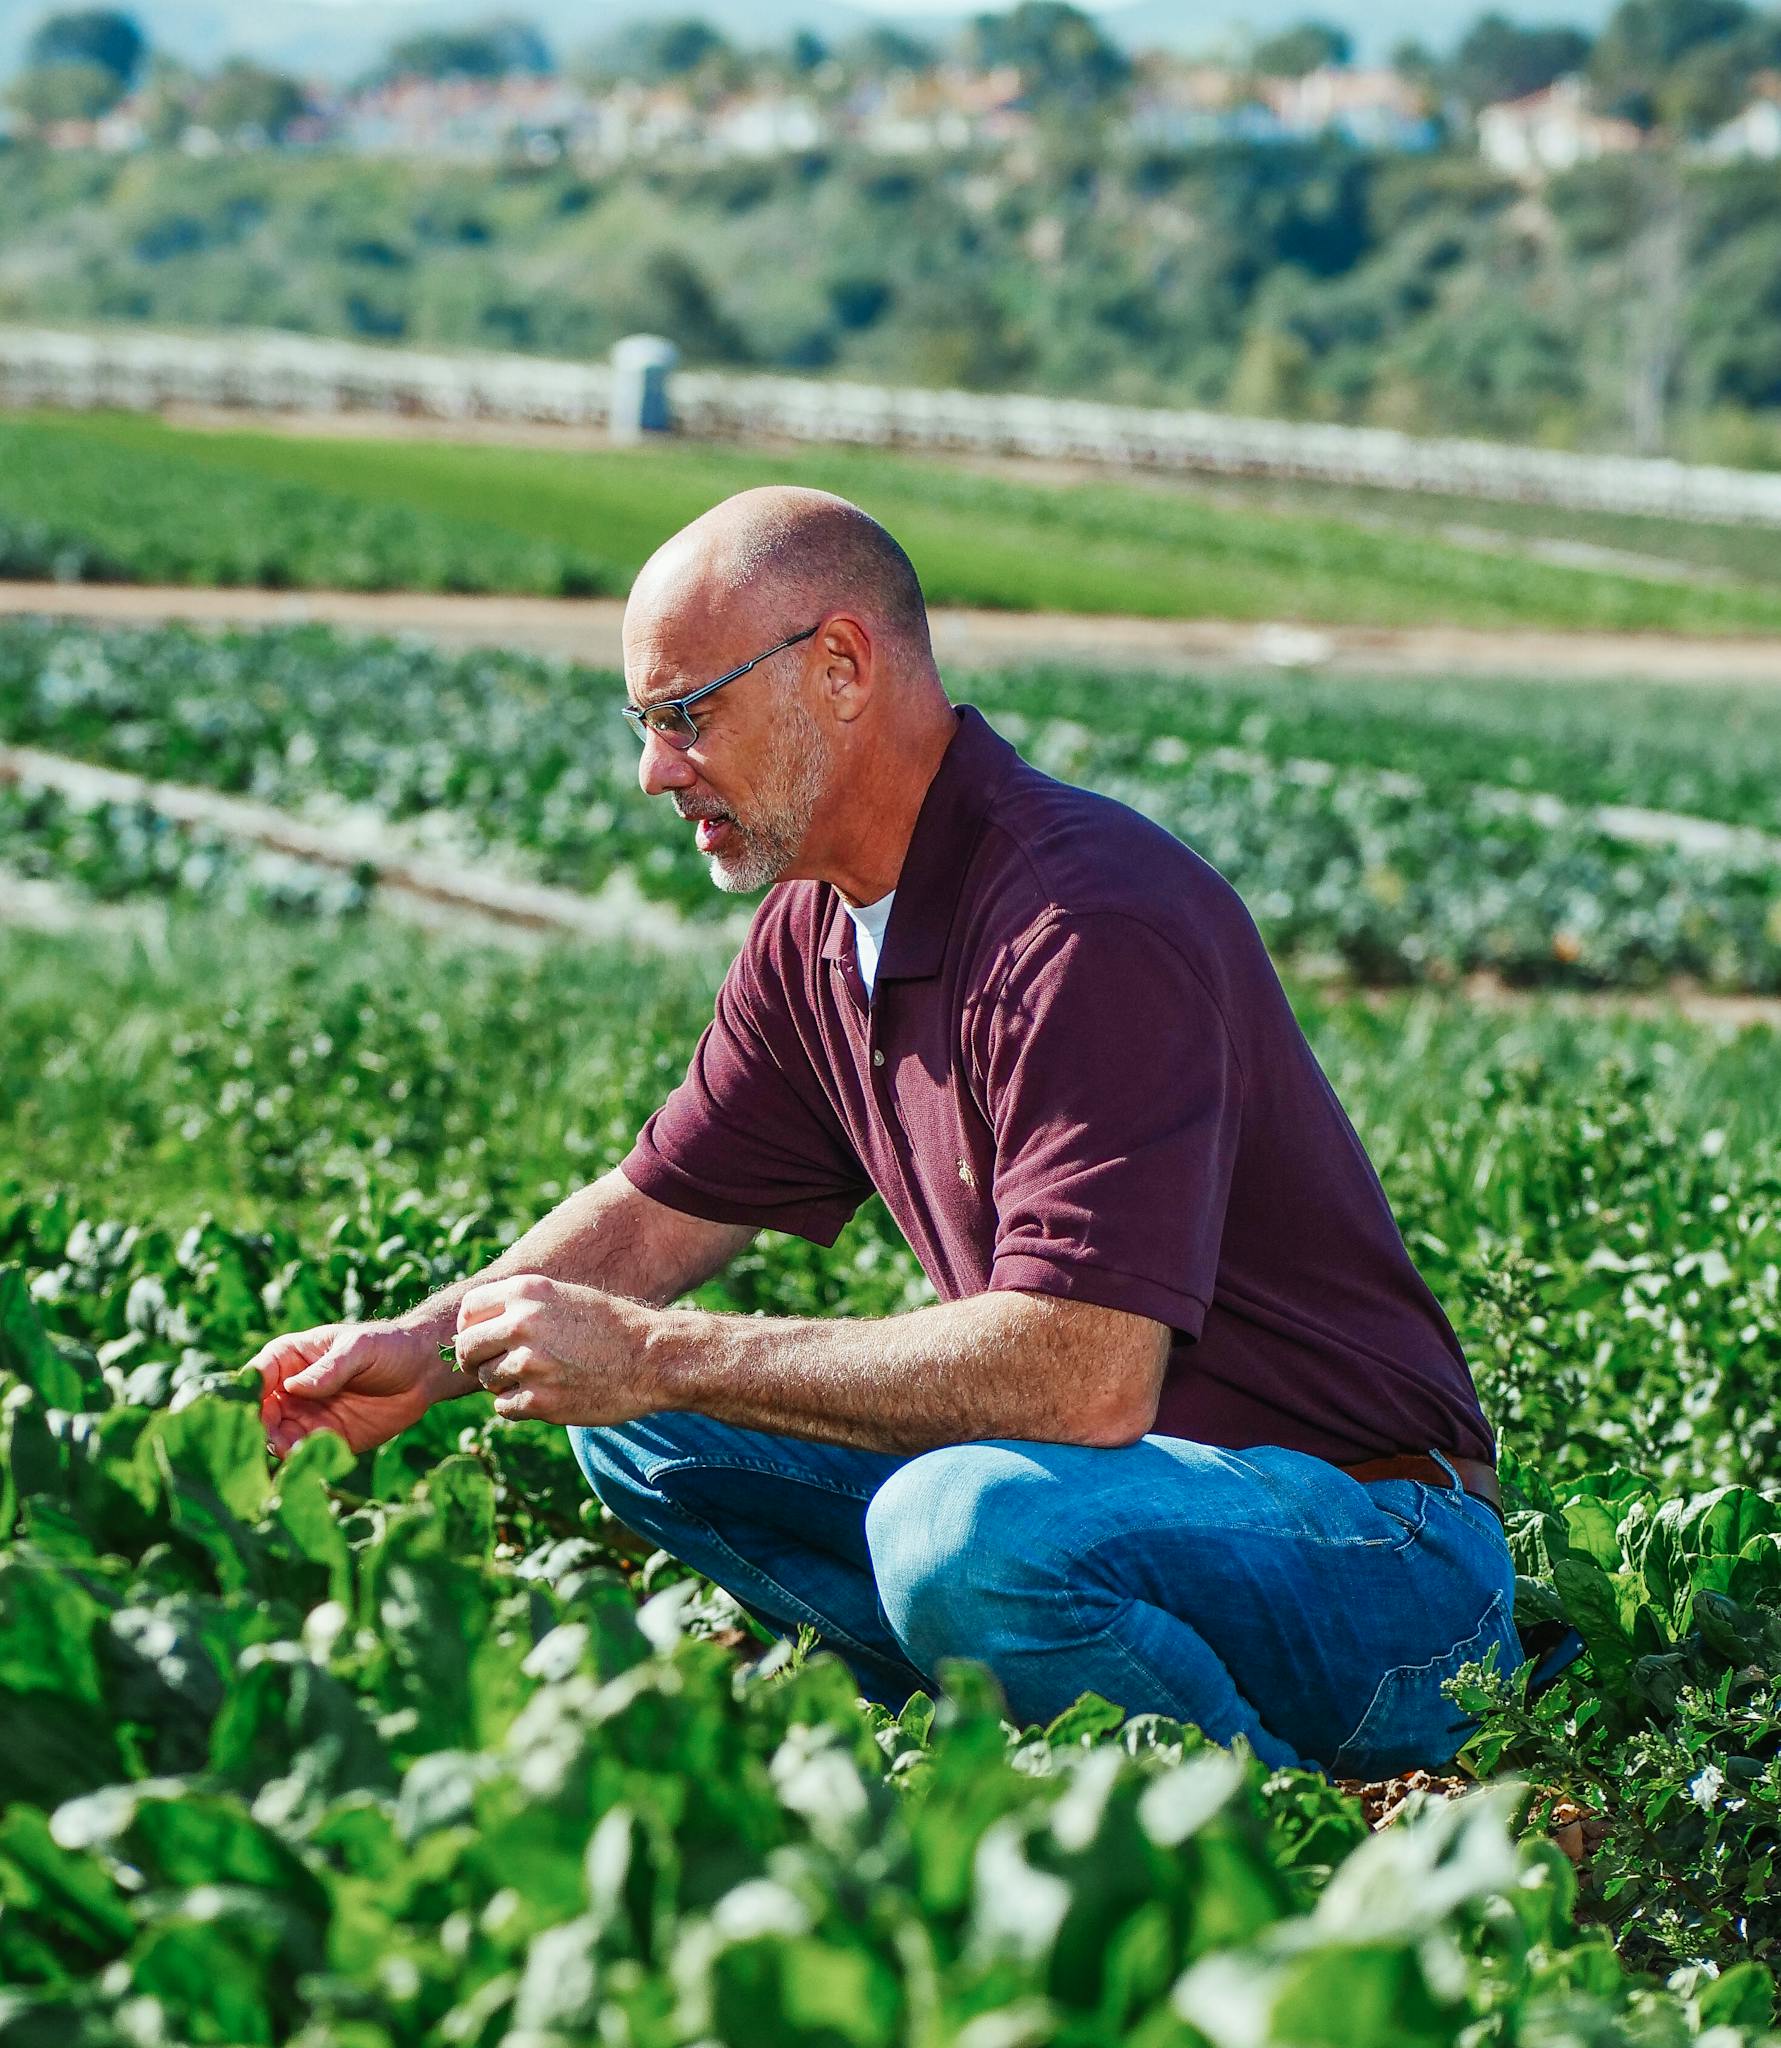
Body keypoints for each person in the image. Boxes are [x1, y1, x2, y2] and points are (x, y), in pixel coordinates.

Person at [255, 485, 1519, 1778]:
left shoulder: (1081, 922)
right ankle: (994, 1749)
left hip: (1377, 1559)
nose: (654, 770)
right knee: (635, 1424)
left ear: (841, 666)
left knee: (957, 1527)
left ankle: (1277, 1851)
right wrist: (426, 1345)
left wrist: (659, 1348)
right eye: (643, 723)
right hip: (1129, 1513)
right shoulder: (818, 933)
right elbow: (652, 1213)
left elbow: (1079, 1378)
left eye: (686, 714)